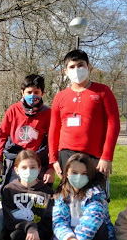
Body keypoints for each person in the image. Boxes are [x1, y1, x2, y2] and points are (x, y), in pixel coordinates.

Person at [52, 153, 125, 240]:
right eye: (74, 172)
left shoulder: (96, 194)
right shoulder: (62, 194)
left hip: (92, 238)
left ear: (90, 175)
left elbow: (91, 223)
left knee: (100, 229)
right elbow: (58, 221)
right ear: (66, 173)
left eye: (84, 173)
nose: (78, 177)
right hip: (72, 236)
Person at [48, 50, 120, 183]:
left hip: (95, 158)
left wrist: (107, 156)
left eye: (81, 65)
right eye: (72, 67)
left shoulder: (103, 91)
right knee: (69, 194)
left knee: (95, 195)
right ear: (65, 71)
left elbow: (113, 124)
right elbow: (54, 128)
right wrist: (53, 159)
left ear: (89, 67)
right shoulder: (60, 96)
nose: (76, 69)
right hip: (66, 156)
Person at [0, 73, 53, 193]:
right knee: (11, 192)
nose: (32, 95)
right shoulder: (13, 110)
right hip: (15, 158)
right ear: (22, 92)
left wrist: (51, 167)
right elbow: (3, 135)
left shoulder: (47, 113)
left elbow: (53, 140)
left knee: (38, 194)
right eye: (29, 92)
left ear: (42, 93)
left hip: (37, 160)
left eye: (36, 92)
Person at [1, 150, 54, 240]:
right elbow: (9, 218)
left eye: (33, 167)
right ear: (16, 169)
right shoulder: (9, 189)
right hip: (17, 231)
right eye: (24, 167)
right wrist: (30, 228)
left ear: (39, 169)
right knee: (16, 237)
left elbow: (49, 218)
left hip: (39, 234)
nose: (28, 171)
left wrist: (37, 233)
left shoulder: (47, 192)